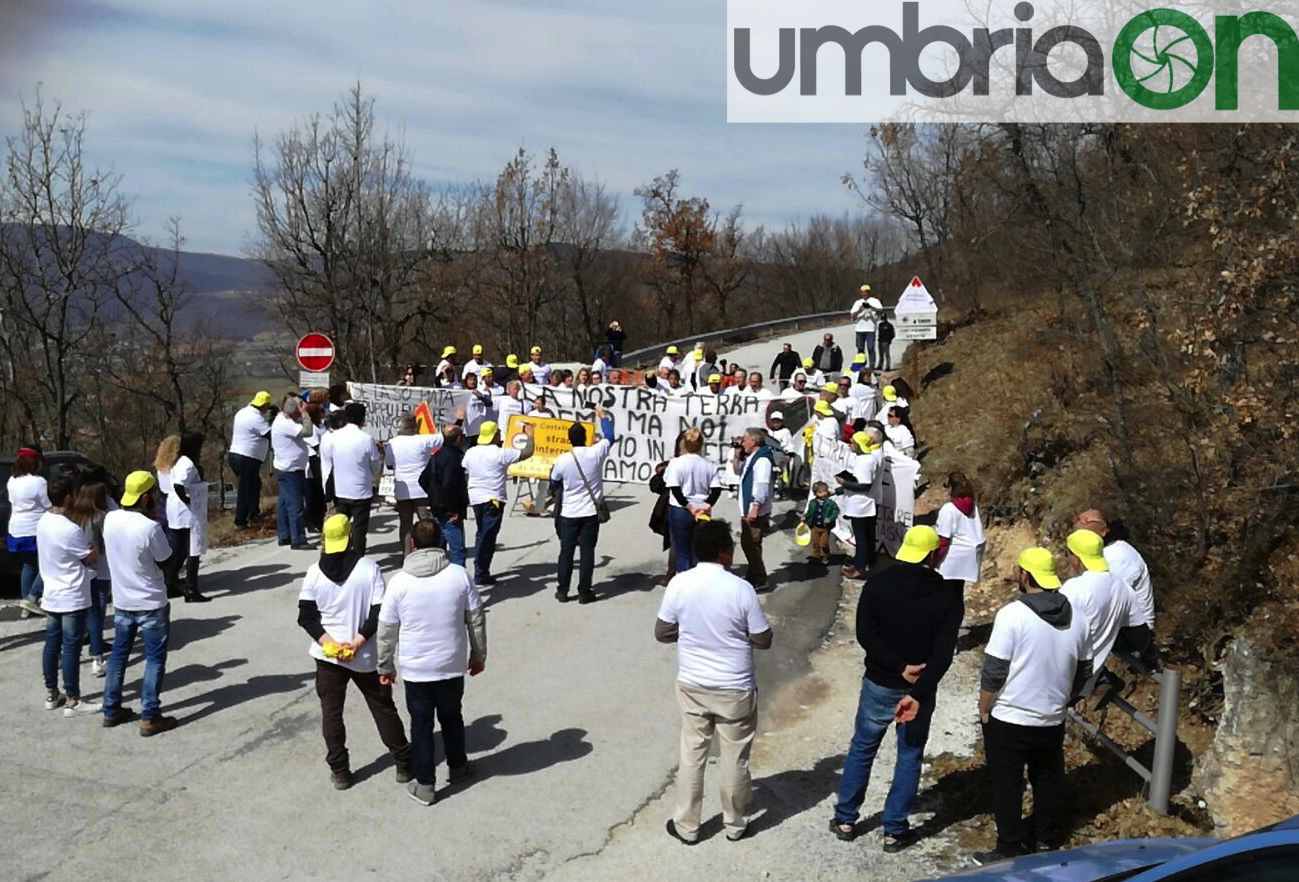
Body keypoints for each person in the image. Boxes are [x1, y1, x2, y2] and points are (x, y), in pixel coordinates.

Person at [831, 526, 963, 848]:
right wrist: (918, 689)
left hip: (880, 681)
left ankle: (846, 818)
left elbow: (866, 634)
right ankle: (894, 829)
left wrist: (898, 667)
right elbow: (944, 654)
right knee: (910, 755)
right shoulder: (948, 596)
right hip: (920, 690)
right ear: (933, 555)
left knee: (863, 748)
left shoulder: (878, 584)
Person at [656, 519, 773, 845]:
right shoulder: (741, 589)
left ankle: (687, 826)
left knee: (693, 754)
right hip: (735, 686)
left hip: (693, 683)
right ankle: (735, 824)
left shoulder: (679, 584)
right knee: (735, 757)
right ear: (725, 551)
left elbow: (662, 632)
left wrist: (694, 632)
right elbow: (763, 640)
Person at [977, 547, 1092, 863]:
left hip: (1010, 717)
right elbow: (1084, 673)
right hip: (1051, 717)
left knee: (1007, 785)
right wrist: (1064, 701)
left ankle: (1010, 846)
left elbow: (994, 671)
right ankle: (1045, 841)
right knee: (1046, 780)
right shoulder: (1078, 617)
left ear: (1025, 575)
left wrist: (984, 707)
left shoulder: (1012, 615)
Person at [297, 514, 412, 790]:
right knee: (382, 707)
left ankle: (340, 771)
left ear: (325, 540)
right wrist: (358, 641)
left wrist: (329, 643)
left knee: (331, 713)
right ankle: (403, 763)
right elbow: (379, 611)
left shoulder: (314, 572)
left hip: (329, 656)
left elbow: (306, 616)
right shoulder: (368, 568)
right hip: (363, 656)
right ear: (350, 538)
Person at [377, 519, 486, 805]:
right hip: (451, 664)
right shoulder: (459, 575)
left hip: (416, 669)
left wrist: (385, 666)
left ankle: (425, 784)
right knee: (452, 717)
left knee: (421, 725)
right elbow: (475, 619)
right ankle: (458, 767)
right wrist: (478, 654)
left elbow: (387, 629)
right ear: (443, 543)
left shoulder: (399, 581)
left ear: (412, 544)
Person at [100, 472, 177, 735]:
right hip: (151, 601)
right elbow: (166, 560)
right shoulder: (149, 528)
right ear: (146, 498)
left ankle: (110, 708)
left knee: (119, 655)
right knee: (155, 659)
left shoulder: (111, 518)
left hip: (122, 600)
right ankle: (150, 714)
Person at [37, 476, 100, 716]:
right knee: (72, 648)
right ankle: (73, 699)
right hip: (72, 593)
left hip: (51, 592)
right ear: (68, 498)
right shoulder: (71, 530)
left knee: (52, 644)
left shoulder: (43, 521)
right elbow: (88, 557)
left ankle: (52, 693)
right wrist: (93, 551)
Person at [1074, 510, 1158, 669]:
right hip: (1121, 627)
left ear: (1104, 531)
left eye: (1086, 520)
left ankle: (1101, 680)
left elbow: (1109, 598)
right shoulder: (1102, 554)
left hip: (1135, 634)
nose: (1081, 521)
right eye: (1080, 519)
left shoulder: (1118, 555)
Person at [549, 405, 615, 604]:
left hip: (569, 512)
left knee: (566, 552)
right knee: (587, 552)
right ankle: (585, 591)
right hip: (590, 513)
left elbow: (554, 481)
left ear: (569, 439)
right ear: (586, 437)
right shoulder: (595, 453)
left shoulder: (563, 460)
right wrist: (602, 415)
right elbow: (610, 436)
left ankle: (562, 590)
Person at [461, 420, 534, 587]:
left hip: (476, 498)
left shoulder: (471, 452)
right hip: (493, 499)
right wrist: (530, 435)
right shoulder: (500, 453)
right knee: (488, 536)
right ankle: (481, 573)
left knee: (482, 533)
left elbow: (465, 470)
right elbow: (527, 452)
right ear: (494, 436)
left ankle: (481, 569)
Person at [1061, 529, 1137, 680]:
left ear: (1076, 558)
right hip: (1088, 675)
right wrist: (1151, 660)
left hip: (1064, 676)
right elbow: (1139, 629)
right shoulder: (1122, 586)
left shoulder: (1074, 588)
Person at [67, 480, 112, 677]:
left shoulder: (72, 518)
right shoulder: (101, 517)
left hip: (77, 571)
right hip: (100, 570)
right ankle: (97, 656)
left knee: (80, 613)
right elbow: (107, 545)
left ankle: (72, 651)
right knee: (97, 613)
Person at [324, 403, 382, 555]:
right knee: (359, 529)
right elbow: (375, 466)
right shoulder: (366, 439)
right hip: (361, 490)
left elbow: (329, 461)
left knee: (340, 526)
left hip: (341, 490)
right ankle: (357, 559)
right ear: (362, 419)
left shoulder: (334, 437)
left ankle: (336, 554)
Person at [663, 427, 722, 573]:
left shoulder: (676, 463)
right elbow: (716, 490)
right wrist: (707, 505)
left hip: (680, 510)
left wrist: (689, 507)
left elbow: (674, 488)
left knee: (682, 550)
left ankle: (685, 582)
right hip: (702, 509)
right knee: (699, 550)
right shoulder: (709, 465)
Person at [385, 415, 444, 555]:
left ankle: (407, 554)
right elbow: (445, 437)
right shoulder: (424, 440)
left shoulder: (392, 443)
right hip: (421, 489)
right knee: (426, 521)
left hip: (402, 489)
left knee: (405, 524)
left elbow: (388, 464)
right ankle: (431, 551)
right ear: (415, 427)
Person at [166, 431, 210, 603]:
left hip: (176, 512)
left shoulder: (179, 460)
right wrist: (188, 499)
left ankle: (170, 583)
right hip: (188, 512)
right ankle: (191, 589)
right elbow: (179, 485)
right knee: (193, 549)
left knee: (178, 550)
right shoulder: (188, 464)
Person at [7, 445, 50, 617]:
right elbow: (47, 504)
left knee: (29, 564)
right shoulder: (39, 482)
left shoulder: (12, 480)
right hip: (35, 528)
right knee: (47, 564)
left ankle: (27, 603)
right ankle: (32, 597)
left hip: (17, 528)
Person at [730, 428, 775, 588]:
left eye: (744, 439)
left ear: (753, 441)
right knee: (752, 543)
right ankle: (752, 575)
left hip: (754, 509)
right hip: (748, 508)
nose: (742, 442)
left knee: (750, 544)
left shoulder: (762, 461)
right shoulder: (752, 458)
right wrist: (737, 455)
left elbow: (761, 485)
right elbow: (738, 471)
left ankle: (760, 578)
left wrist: (755, 507)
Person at [419, 426, 470, 566]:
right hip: (449, 512)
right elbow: (449, 485)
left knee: (438, 550)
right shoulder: (453, 458)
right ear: (459, 438)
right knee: (457, 550)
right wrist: (452, 509)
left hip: (437, 509)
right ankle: (459, 584)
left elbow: (423, 479)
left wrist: (434, 496)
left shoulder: (438, 455)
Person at [838, 429, 884, 580]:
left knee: (861, 538)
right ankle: (862, 563)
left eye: (852, 442)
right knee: (866, 536)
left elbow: (865, 486)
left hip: (861, 506)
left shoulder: (866, 460)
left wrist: (845, 483)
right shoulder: (861, 458)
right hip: (859, 504)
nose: (850, 445)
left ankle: (861, 568)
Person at [228, 391, 275, 529]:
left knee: (254, 485)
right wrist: (275, 419)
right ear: (265, 405)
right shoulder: (256, 419)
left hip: (236, 455)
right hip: (247, 458)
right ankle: (240, 520)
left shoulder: (242, 412)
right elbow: (270, 434)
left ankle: (253, 513)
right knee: (246, 489)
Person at [273, 395, 314, 550]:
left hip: (288, 467)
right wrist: (305, 415)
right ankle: (298, 539)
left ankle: (284, 535)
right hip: (290, 470)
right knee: (295, 505)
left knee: (284, 503)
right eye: (298, 413)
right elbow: (308, 432)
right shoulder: (286, 424)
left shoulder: (282, 418)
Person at [935, 471, 986, 590]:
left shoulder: (948, 509)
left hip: (952, 558)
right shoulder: (973, 504)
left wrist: (933, 561)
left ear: (951, 487)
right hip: (968, 557)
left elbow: (944, 540)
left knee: (944, 592)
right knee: (958, 591)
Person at [802, 481, 840, 566]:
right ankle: (816, 556)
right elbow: (809, 512)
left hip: (825, 527)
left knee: (824, 543)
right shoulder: (812, 502)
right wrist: (805, 517)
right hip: (815, 526)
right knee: (815, 543)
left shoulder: (830, 503)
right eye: (820, 492)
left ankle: (826, 555)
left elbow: (836, 511)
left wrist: (830, 518)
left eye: (824, 491)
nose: (823, 494)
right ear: (815, 493)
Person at [461, 372, 495, 445]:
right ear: (466, 381)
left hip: (481, 428)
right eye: (470, 380)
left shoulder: (481, 392)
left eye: (474, 380)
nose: (472, 382)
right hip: (469, 429)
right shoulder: (463, 393)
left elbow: (489, 403)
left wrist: (479, 395)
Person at [850, 285, 881, 366]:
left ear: (869, 292)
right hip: (859, 329)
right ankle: (861, 365)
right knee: (860, 349)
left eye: (866, 292)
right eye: (863, 292)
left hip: (870, 329)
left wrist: (871, 307)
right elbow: (852, 316)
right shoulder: (857, 303)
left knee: (871, 348)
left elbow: (880, 311)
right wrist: (860, 310)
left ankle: (872, 365)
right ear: (861, 293)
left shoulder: (875, 301)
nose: (864, 294)